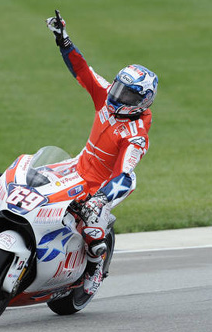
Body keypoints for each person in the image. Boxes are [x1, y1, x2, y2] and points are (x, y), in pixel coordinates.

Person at [46, 10, 158, 295]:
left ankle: (95, 270)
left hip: (99, 188)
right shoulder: (106, 97)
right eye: (120, 88)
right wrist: (63, 40)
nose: (118, 96)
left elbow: (125, 175)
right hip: (77, 166)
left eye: (128, 95)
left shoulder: (136, 136)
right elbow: (83, 71)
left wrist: (102, 199)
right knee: (32, 177)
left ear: (142, 102)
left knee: (93, 229)